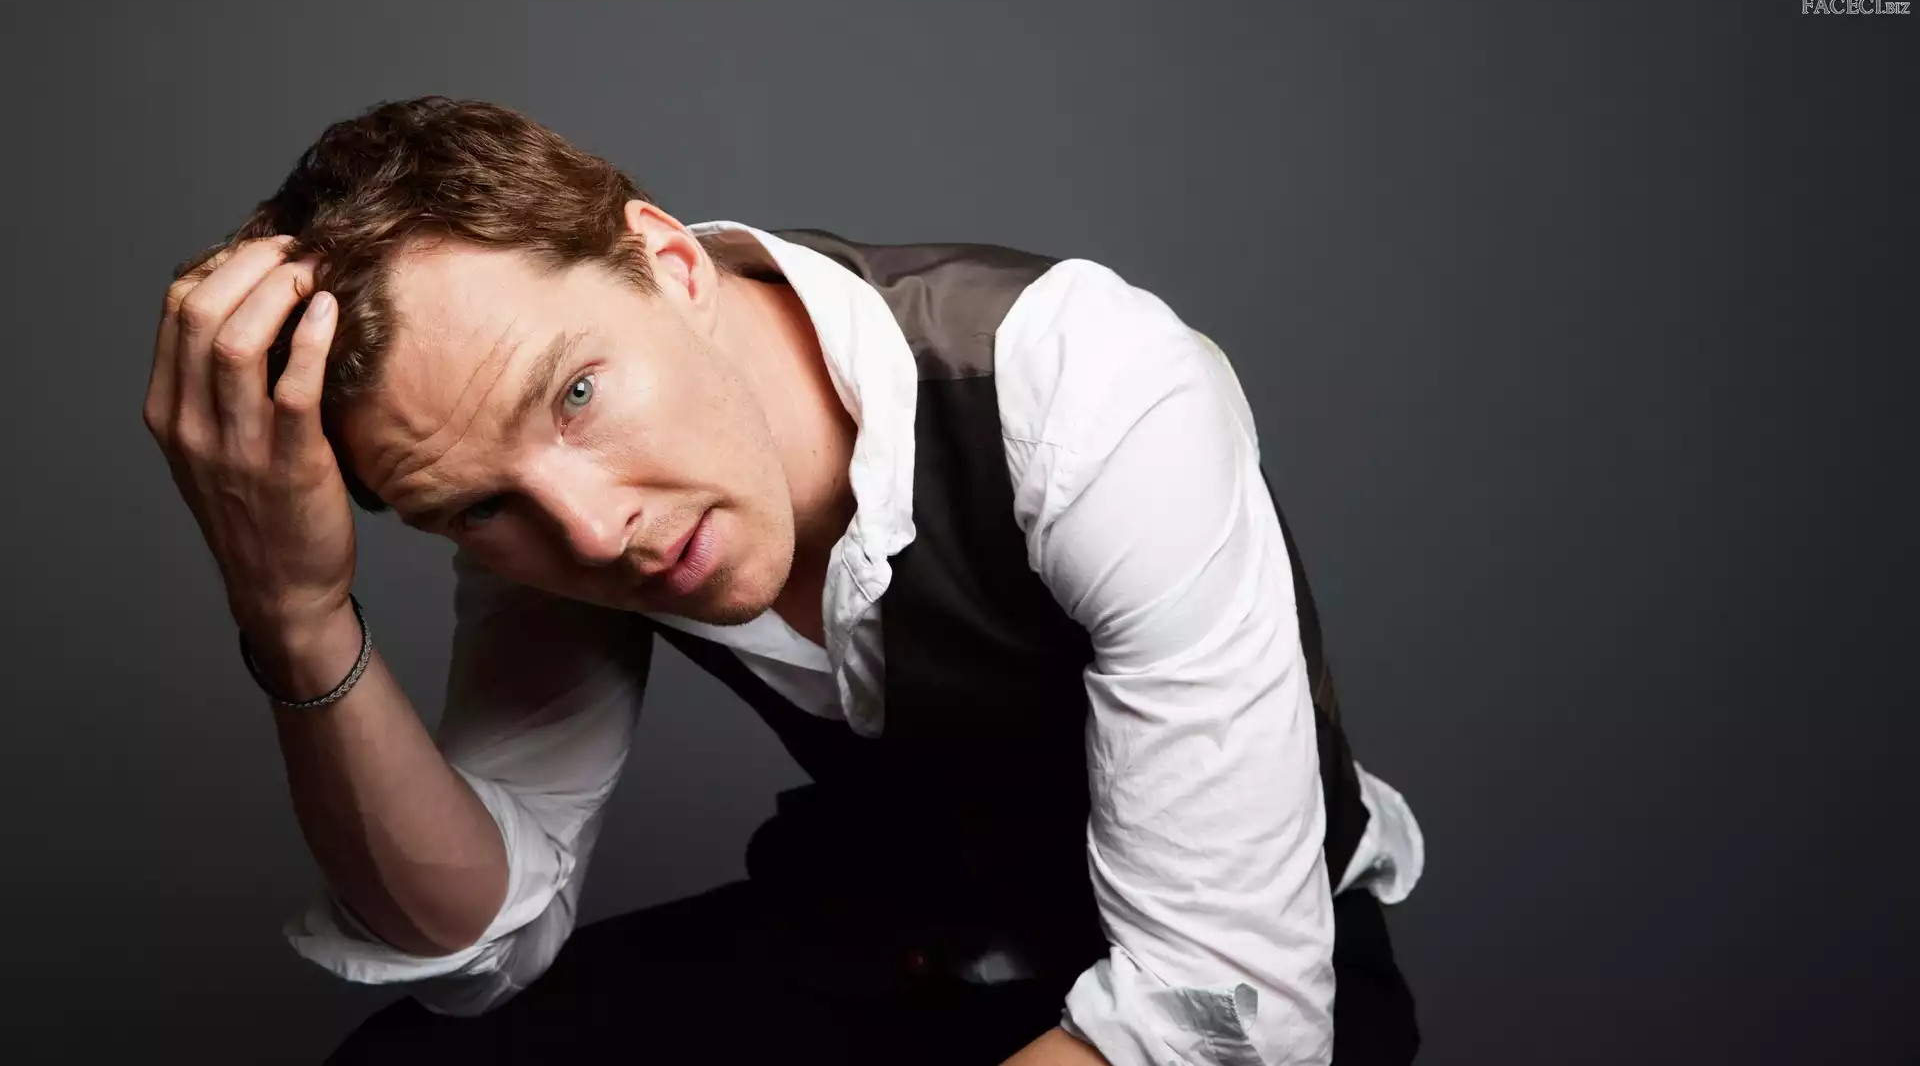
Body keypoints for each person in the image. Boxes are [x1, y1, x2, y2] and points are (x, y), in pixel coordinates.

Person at [144, 96, 1424, 1065]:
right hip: (899, 940)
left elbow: (1222, 1008)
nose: (592, 532)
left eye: (576, 394)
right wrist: (297, 617)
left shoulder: (1083, 388)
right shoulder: (548, 513)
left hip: (1238, 984)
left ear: (670, 263)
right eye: (478, 506)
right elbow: (478, 941)